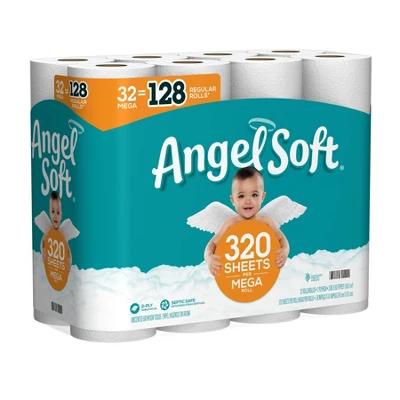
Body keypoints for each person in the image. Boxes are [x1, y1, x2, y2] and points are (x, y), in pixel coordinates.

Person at [204, 167, 290, 277]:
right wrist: (209, 258)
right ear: (233, 200)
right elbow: (212, 243)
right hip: (237, 275)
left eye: (254, 195)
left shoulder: (267, 222)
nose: (248, 201)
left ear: (262, 197)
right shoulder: (229, 224)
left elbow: (282, 238)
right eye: (241, 196)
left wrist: (285, 250)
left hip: (261, 273)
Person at [41, 191, 71, 272]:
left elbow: (67, 250)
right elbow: (43, 241)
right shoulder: (48, 229)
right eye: (53, 211)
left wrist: (69, 261)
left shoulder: (62, 233)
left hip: (60, 265)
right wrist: (43, 251)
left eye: (58, 213)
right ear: (49, 212)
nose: (55, 216)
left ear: (61, 214)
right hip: (51, 263)